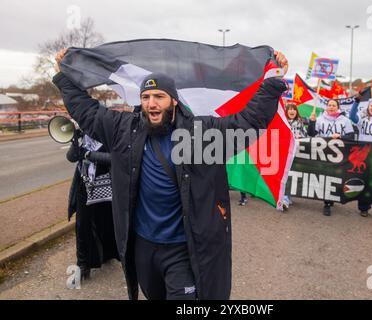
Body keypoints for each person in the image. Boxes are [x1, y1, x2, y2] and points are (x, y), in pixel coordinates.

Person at [53, 48, 289, 300]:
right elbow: (88, 112)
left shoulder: (201, 135)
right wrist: (63, 77)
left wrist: (273, 81)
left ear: (174, 100)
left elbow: (248, 122)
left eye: (159, 96)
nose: (151, 103)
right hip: (143, 248)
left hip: (183, 250)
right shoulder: (123, 130)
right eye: (145, 97)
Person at [66, 130, 119, 280]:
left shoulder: (108, 132)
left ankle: (107, 254)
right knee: (83, 226)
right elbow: (71, 158)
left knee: (106, 222)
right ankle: (83, 264)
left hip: (107, 186)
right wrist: (75, 143)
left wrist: (90, 155)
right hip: (85, 187)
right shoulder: (82, 136)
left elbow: (116, 158)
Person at [307, 99, 355, 216]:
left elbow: (351, 136)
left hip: (339, 154)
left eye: (334, 105)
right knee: (325, 177)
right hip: (323, 152)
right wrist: (312, 122)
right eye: (329, 105)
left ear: (338, 107)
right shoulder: (320, 118)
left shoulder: (345, 120)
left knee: (336, 177)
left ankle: (331, 197)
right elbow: (311, 134)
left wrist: (340, 136)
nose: (331, 107)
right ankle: (327, 203)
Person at [282, 102, 308, 210]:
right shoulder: (282, 122)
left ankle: (288, 195)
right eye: (290, 109)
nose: (292, 111)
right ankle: (284, 198)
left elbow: (306, 136)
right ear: (286, 111)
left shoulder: (300, 123)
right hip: (284, 152)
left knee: (292, 174)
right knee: (284, 175)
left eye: (294, 109)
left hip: (296, 153)